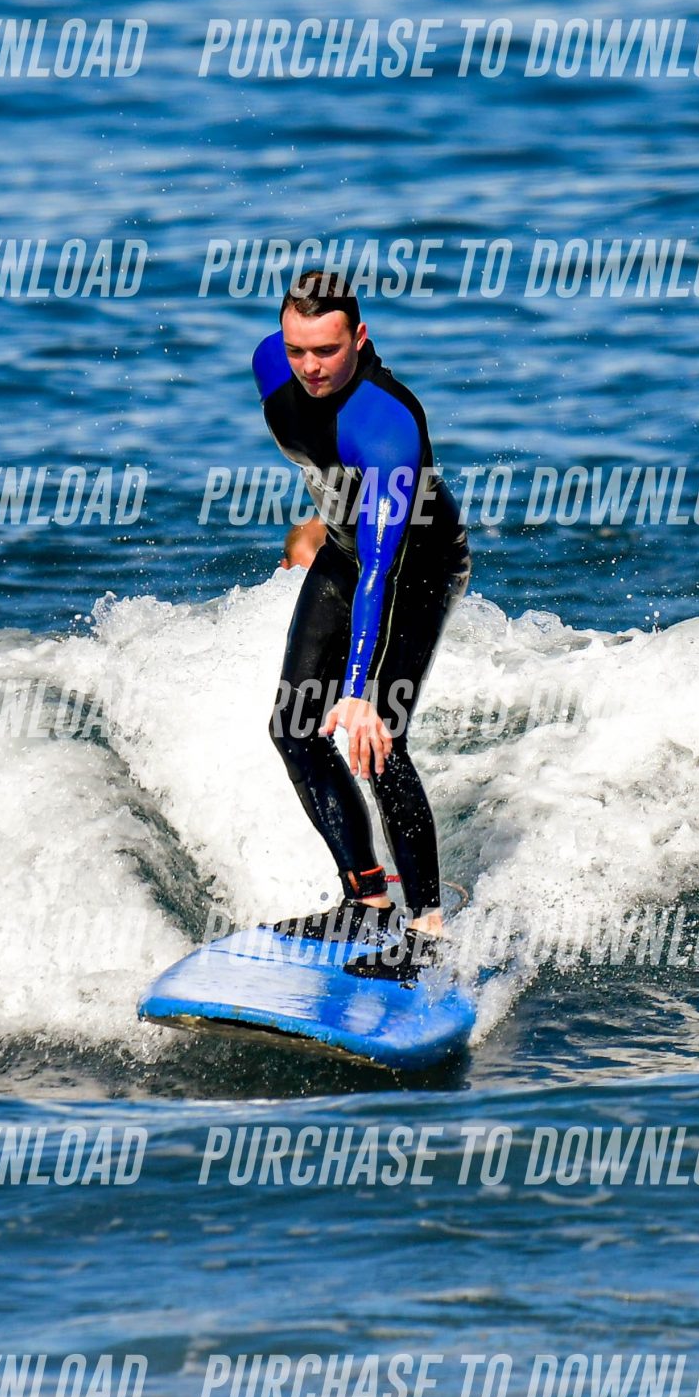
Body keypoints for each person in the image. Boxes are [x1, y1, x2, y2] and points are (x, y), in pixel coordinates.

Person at [254, 271, 470, 977]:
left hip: (416, 567)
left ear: (361, 338)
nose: (310, 367)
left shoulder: (386, 425)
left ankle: (429, 930)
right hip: (347, 550)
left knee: (380, 738)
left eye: (327, 349)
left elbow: (384, 570)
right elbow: (351, 538)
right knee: (293, 727)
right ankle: (367, 900)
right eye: (297, 349)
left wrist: (359, 691)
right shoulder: (271, 365)